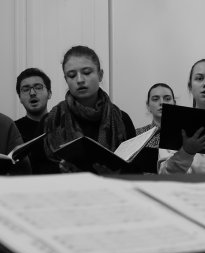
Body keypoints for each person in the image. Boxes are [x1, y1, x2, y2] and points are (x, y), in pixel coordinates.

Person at [34, 45, 136, 174]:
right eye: (71, 75)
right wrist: (61, 171)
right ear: (66, 80)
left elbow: (135, 170)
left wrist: (113, 175)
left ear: (100, 75)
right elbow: (37, 169)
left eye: (87, 72)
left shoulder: (122, 119)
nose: (80, 80)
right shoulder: (49, 121)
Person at [135, 83, 176, 173]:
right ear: (148, 106)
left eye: (167, 99)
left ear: (174, 103)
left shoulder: (186, 135)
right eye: (155, 99)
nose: (161, 102)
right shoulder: (137, 135)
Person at [15, 68, 52, 142]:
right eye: (26, 89)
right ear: (20, 98)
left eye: (38, 88)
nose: (32, 93)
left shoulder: (62, 125)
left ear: (49, 94)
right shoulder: (13, 130)